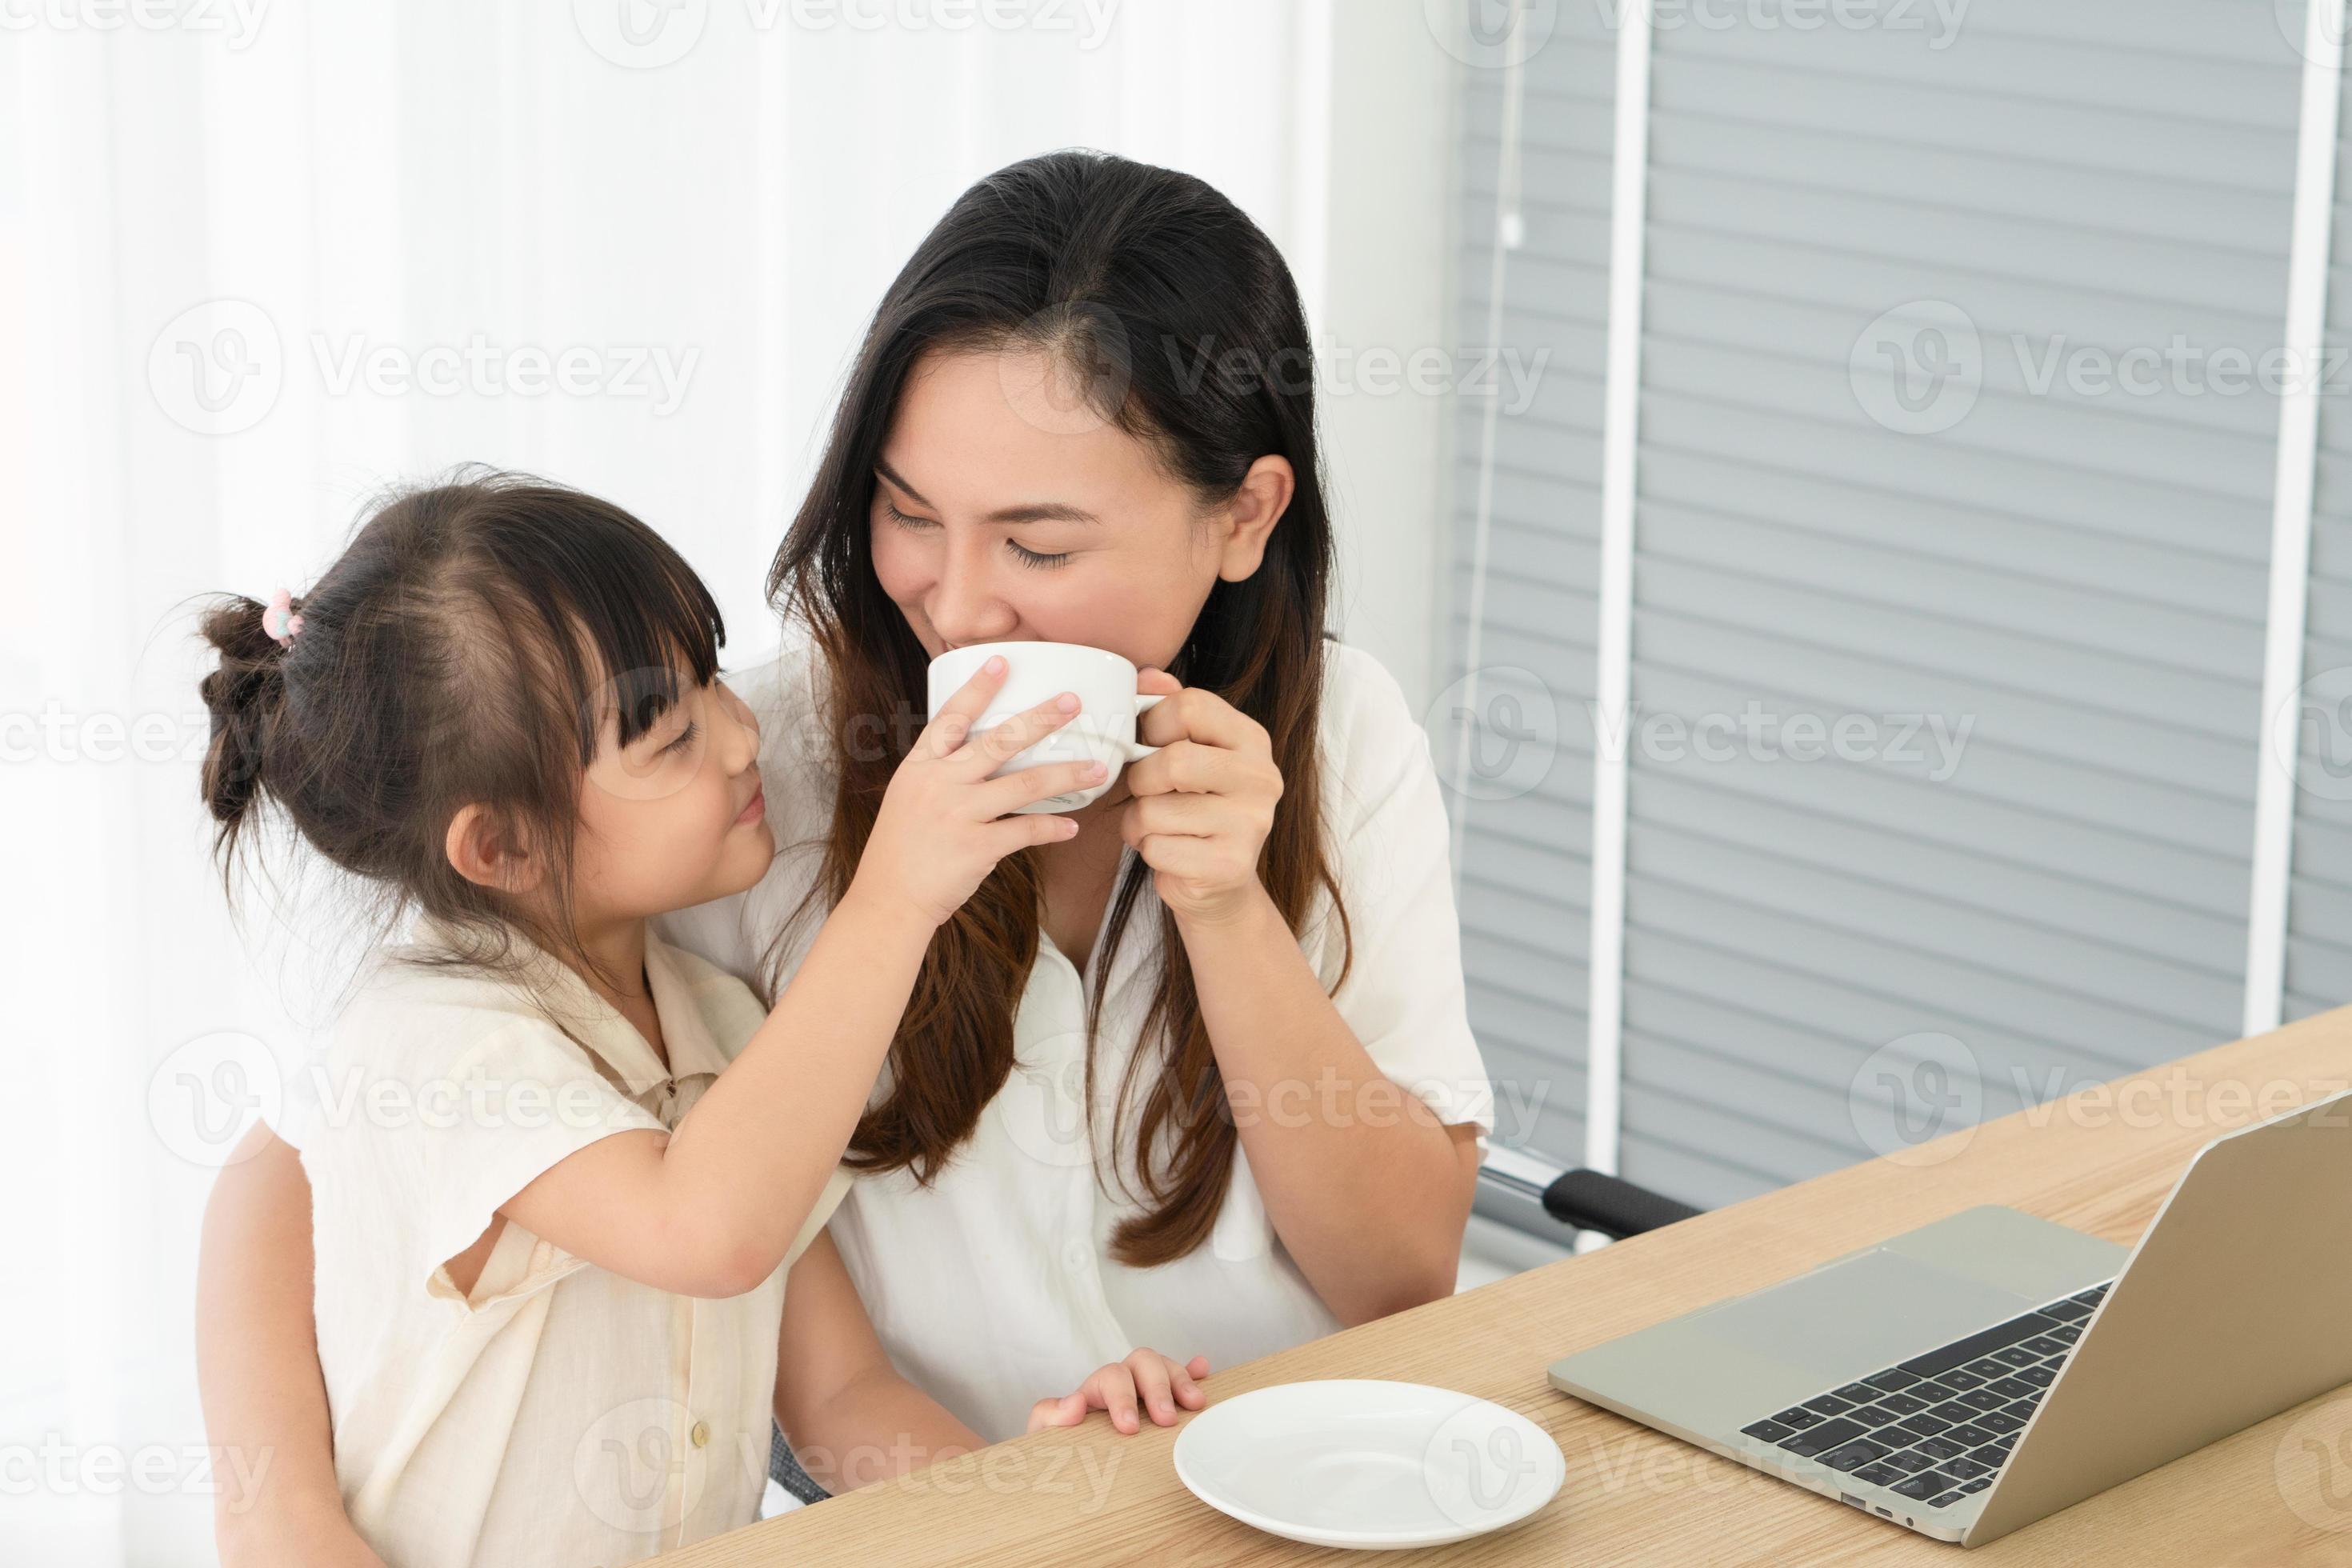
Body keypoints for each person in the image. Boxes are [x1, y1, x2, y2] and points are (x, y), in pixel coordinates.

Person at [198, 149, 1496, 1545]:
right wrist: (277, 1516)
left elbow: (1400, 1277)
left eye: (1040, 548)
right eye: (907, 513)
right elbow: (325, 1140)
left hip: (1313, 1476)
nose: (956, 604)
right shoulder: (728, 792)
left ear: (1244, 516)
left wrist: (1228, 909)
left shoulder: (1341, 736)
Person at [192, 471, 1206, 1566]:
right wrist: (898, 892)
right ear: (504, 848)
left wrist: (1055, 1487)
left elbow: (844, 1400)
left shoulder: (716, 1020)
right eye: (668, 738)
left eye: (712, 681)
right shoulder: (435, 1040)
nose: (737, 737)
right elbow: (706, 1231)